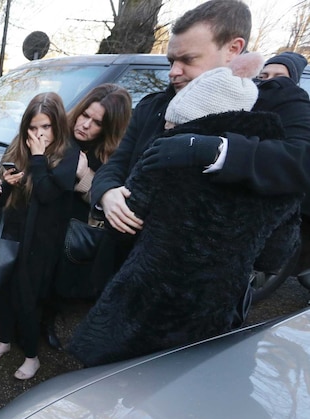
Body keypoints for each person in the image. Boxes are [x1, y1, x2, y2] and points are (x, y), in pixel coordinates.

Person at [68, 63, 302, 367]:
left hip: (143, 305)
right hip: (214, 312)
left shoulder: (163, 158)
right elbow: (274, 257)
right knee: (183, 391)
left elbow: (126, 223)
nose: (174, 70)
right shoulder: (275, 175)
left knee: (115, 384)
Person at [90, 0, 310, 241]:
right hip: (121, 258)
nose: (173, 71)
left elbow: (302, 159)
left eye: (188, 60)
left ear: (233, 49)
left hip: (202, 266)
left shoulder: (273, 102)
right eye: (171, 61)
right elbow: (117, 162)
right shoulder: (154, 105)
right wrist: (106, 193)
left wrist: (214, 151)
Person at [0, 92, 79, 380]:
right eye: (33, 128)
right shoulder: (17, 147)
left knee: (29, 297)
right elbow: (1, 202)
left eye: (45, 127)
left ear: (56, 125)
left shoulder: (67, 152)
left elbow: (49, 194)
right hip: (13, 233)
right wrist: (1, 185)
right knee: (6, 291)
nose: (38, 134)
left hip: (42, 240)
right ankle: (4, 339)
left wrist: (37, 159)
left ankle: (31, 356)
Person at [49, 84, 132, 332]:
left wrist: (85, 175)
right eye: (85, 115)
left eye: (96, 122)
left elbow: (111, 199)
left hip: (75, 231)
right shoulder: (57, 132)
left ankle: (51, 319)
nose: (85, 125)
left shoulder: (113, 154)